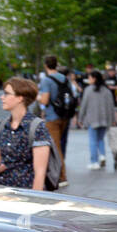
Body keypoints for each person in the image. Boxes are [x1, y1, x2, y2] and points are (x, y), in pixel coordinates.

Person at [0, 77, 53, 190]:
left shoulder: (36, 127)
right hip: (4, 193)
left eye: (6, 94)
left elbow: (40, 172)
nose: (2, 97)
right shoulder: (2, 125)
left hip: (26, 193)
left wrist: (35, 199)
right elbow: (1, 160)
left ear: (20, 98)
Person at [35, 55, 71, 186]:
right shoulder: (64, 78)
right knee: (58, 144)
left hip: (52, 117)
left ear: (45, 65)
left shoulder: (46, 80)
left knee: (56, 147)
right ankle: (54, 172)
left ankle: (62, 176)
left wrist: (37, 96)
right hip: (64, 116)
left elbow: (44, 100)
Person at [77, 70, 114, 170]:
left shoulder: (88, 90)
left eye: (89, 78)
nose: (88, 80)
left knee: (93, 140)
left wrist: (80, 118)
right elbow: (111, 106)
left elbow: (83, 105)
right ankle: (102, 155)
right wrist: (112, 120)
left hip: (92, 119)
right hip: (104, 119)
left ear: (94, 78)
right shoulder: (106, 90)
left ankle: (94, 162)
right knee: (100, 139)